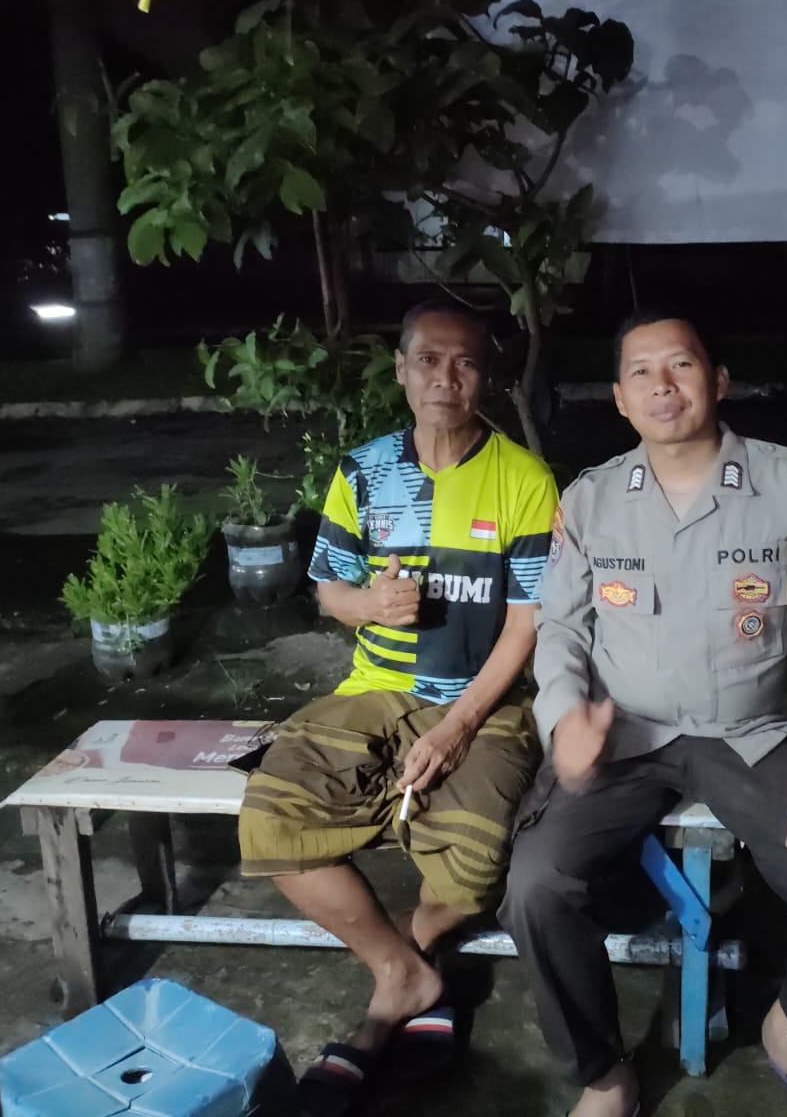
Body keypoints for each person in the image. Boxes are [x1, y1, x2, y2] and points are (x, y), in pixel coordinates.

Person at [500, 310, 787, 1117]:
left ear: (718, 381)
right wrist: (564, 719)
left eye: (681, 365)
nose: (663, 385)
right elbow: (562, 629)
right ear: (620, 398)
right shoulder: (589, 500)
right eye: (641, 372)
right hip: (624, 732)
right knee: (534, 888)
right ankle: (603, 1073)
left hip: (750, 734)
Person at [238, 300, 558, 1113]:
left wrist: (458, 727)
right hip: (374, 689)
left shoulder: (524, 479)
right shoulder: (364, 470)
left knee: (479, 863)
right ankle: (403, 975)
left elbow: (528, 622)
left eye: (465, 363)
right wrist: (369, 606)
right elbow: (328, 590)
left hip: (486, 702)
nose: (446, 378)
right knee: (271, 817)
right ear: (401, 370)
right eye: (428, 360)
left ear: (487, 377)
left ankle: (401, 977)